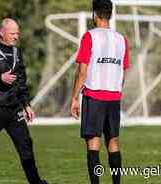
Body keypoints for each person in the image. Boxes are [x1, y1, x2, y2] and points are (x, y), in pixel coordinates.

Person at [0, 18, 48, 184]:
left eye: (17, 33)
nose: (16, 36)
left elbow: (20, 82)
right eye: (12, 33)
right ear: (2, 33)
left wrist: (26, 104)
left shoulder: (17, 53)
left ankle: (36, 182)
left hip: (14, 110)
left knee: (26, 145)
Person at [70, 0, 130, 183]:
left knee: (93, 143)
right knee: (113, 142)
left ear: (94, 14)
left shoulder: (89, 37)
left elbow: (82, 71)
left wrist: (74, 98)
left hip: (94, 96)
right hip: (113, 97)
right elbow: (124, 71)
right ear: (111, 14)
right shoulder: (121, 39)